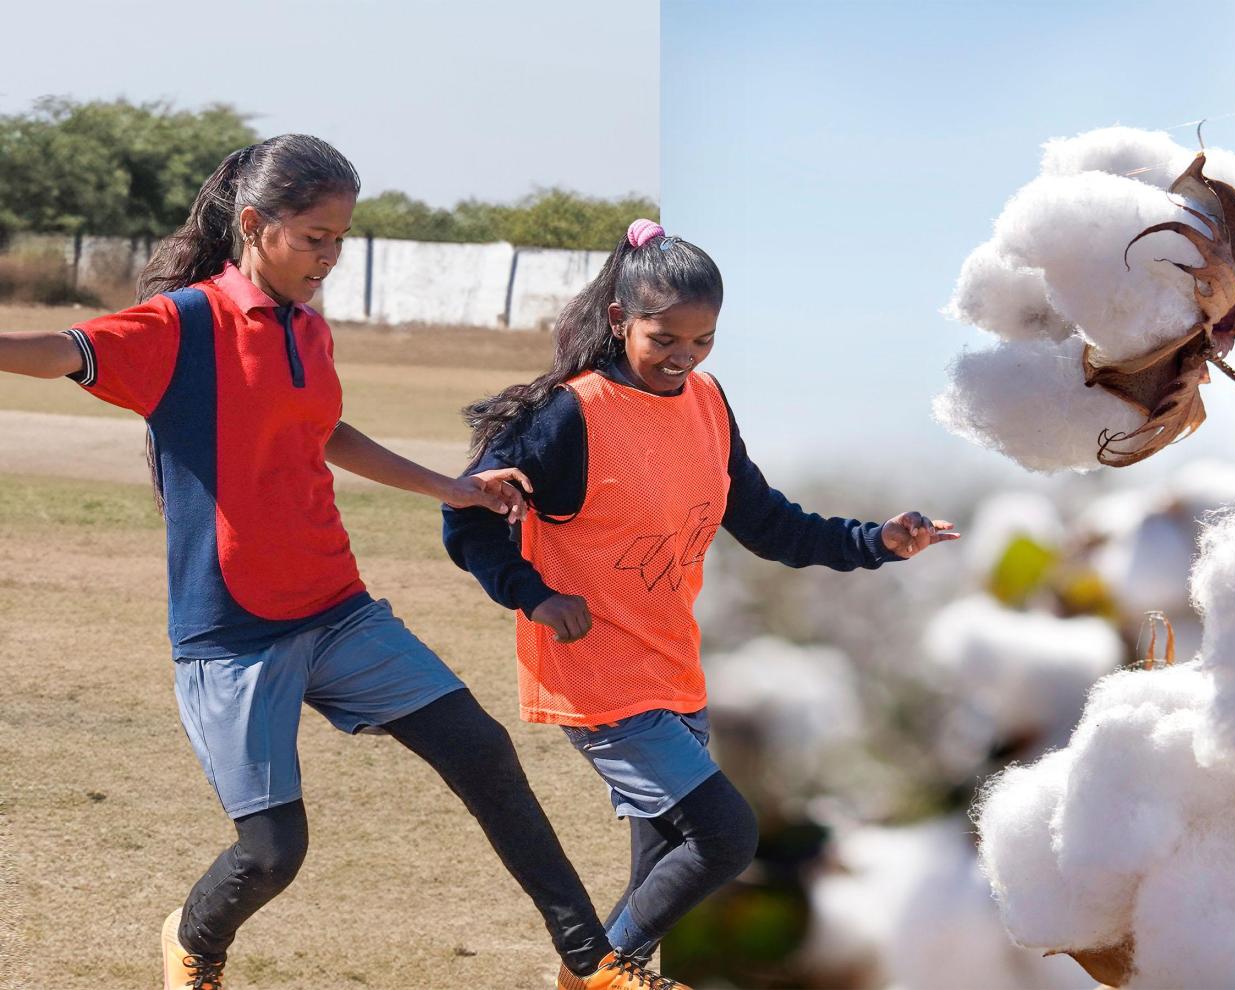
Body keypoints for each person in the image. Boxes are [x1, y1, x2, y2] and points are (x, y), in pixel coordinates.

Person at [0, 137, 674, 990]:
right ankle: (194, 942)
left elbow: (322, 430)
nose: (330, 256)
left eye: (341, 238)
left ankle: (595, 965)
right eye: (315, 236)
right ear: (254, 224)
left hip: (337, 609)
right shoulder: (182, 325)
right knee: (274, 854)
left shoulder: (307, 328)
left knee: (482, 751)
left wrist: (449, 485)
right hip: (233, 634)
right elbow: (58, 349)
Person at [444, 217, 960, 986]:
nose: (683, 358)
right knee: (724, 838)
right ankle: (593, 973)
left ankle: (606, 970)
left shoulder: (708, 404)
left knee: (662, 889)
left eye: (703, 340)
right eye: (665, 340)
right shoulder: (568, 415)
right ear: (620, 322)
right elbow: (466, 516)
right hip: (601, 679)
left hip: (675, 673)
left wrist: (874, 541)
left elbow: (768, 523)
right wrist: (535, 595)